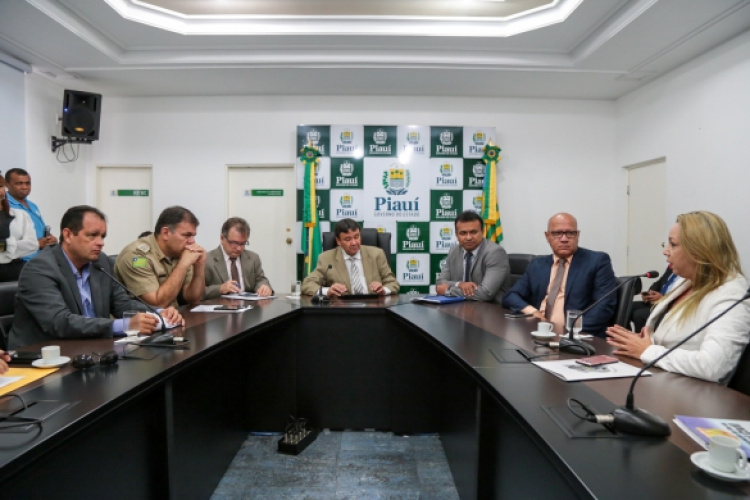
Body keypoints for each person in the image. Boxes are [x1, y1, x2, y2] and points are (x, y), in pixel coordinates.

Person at [9, 206, 183, 349]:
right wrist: (124, 325)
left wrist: (158, 313)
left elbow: (122, 303)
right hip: (43, 358)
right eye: (92, 235)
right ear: (68, 235)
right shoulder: (40, 269)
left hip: (91, 347)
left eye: (102, 236)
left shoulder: (100, 262)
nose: (101, 242)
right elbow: (59, 322)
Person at [606, 211, 750, 384]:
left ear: (698, 250)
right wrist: (641, 341)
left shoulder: (732, 295)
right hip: (661, 380)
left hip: (694, 397)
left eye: (673, 244)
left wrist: (648, 350)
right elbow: (671, 341)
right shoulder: (686, 281)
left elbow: (713, 366)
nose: (665, 251)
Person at [502, 212, 618, 337]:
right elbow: (511, 296)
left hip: (575, 337)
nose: (564, 239)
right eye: (557, 233)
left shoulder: (596, 261)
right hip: (539, 332)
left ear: (578, 235)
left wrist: (569, 331)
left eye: (570, 233)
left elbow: (604, 306)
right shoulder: (537, 264)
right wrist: (533, 311)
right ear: (547, 236)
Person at [115, 206, 206, 308]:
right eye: (186, 235)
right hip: (139, 320)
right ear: (165, 233)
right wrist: (183, 265)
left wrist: (199, 266)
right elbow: (157, 304)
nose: (192, 241)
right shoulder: (136, 256)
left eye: (193, 235)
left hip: (172, 318)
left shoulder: (179, 252)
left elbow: (193, 298)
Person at [301, 218, 399, 297]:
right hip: (342, 310)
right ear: (338, 241)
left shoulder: (377, 254)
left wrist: (383, 290)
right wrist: (328, 291)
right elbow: (307, 284)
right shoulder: (326, 258)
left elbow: (392, 283)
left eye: (356, 237)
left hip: (373, 307)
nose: (354, 243)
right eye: (348, 239)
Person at [436, 210, 511, 303]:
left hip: (490, 309)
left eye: (473, 232)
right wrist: (459, 284)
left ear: (482, 232)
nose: (468, 237)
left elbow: (486, 293)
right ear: (456, 235)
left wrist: (448, 291)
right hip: (461, 307)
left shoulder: (495, 253)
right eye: (463, 233)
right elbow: (440, 283)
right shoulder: (454, 251)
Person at [204, 217, 273, 299]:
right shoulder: (206, 260)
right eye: (234, 243)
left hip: (249, 307)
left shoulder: (253, 258)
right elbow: (197, 293)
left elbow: (261, 279)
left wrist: (264, 287)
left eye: (243, 243)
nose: (239, 248)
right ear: (222, 238)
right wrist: (220, 289)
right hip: (221, 307)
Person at [4, 168, 57, 261]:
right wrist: (36, 243)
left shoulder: (33, 206)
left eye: (27, 183)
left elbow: (41, 229)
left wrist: (50, 239)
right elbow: (6, 240)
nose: (24, 187)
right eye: (19, 183)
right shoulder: (5, 206)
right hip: (18, 262)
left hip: (40, 259)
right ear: (7, 185)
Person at [0, 175, 38, 281]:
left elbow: (32, 244)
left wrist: (5, 245)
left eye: (0, 186)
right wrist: (15, 245)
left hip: (16, 271)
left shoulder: (21, 215)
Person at [629, 265, 683, 332]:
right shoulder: (671, 267)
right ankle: (621, 337)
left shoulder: (688, 273)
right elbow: (659, 282)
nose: (665, 253)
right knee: (627, 307)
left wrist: (663, 298)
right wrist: (650, 293)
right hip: (656, 302)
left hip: (669, 306)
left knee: (639, 315)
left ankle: (642, 340)